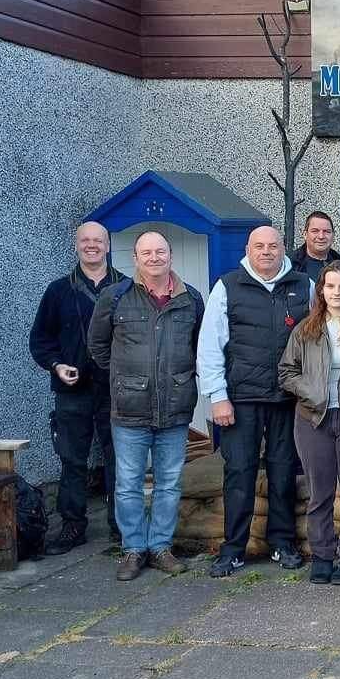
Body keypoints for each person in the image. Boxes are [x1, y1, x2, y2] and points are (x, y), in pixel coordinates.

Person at [88, 230, 204, 581]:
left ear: (171, 255)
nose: (154, 258)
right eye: (146, 252)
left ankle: (161, 548)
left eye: (160, 251)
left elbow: (199, 347)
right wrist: (127, 378)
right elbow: (98, 347)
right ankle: (133, 548)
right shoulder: (115, 296)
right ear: (135, 258)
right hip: (130, 409)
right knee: (128, 483)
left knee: (169, 482)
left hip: (175, 407)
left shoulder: (191, 299)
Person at [197, 225, 312, 578]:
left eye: (273, 246)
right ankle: (233, 549)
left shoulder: (303, 285)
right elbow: (209, 346)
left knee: (283, 473)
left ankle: (281, 543)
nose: (266, 252)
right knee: (239, 473)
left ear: (283, 249)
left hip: (287, 398)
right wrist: (217, 398)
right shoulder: (228, 286)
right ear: (248, 249)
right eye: (259, 246)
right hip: (241, 399)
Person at [279, 259, 340, 585]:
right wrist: (309, 391)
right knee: (319, 493)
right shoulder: (306, 329)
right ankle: (322, 555)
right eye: (330, 286)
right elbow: (286, 372)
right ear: (321, 290)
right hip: (312, 420)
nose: (337, 292)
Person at [28, 221, 123, 555]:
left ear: (108, 245)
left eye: (98, 240)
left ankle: (122, 527)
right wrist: (56, 364)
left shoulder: (126, 288)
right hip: (72, 391)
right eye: (86, 240)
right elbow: (39, 340)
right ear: (76, 245)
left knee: (120, 459)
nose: (92, 245)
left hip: (115, 390)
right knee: (72, 460)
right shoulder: (57, 291)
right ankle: (72, 526)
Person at [289, 211, 340, 285]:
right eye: (315, 231)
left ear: (333, 235)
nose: (321, 236)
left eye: (327, 232)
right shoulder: (290, 266)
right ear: (305, 234)